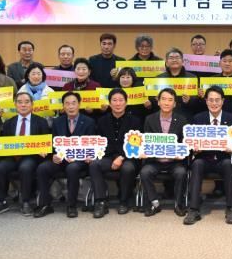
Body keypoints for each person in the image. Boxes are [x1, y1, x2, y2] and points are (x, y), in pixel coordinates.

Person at [34, 92, 96, 218]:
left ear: (79, 104)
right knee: (43, 168)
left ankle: (71, 206)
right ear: (63, 106)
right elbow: (54, 143)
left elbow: (92, 144)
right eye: (67, 104)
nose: (70, 106)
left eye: (73, 103)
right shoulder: (57, 122)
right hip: (61, 159)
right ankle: (45, 205)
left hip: (79, 160)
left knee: (72, 168)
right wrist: (54, 155)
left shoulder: (89, 122)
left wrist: (84, 156)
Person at [184, 86, 232, 225]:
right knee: (197, 164)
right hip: (204, 158)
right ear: (206, 101)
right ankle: (194, 209)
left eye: (217, 100)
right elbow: (190, 143)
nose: (214, 103)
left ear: (223, 101)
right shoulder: (198, 118)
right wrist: (194, 149)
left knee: (229, 164)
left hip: (223, 159)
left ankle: (231, 208)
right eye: (211, 100)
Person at [0, 92, 51, 217]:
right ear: (15, 105)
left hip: (31, 157)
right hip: (12, 157)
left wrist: (44, 150)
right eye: (20, 102)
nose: (23, 105)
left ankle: (26, 201)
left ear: (32, 104)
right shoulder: (8, 123)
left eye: (26, 102)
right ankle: (1, 201)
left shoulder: (41, 122)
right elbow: (3, 144)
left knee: (26, 167)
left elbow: (47, 143)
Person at [88, 88, 141, 218]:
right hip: (108, 156)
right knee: (94, 165)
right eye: (114, 100)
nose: (118, 103)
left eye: (121, 100)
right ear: (109, 103)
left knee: (128, 168)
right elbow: (99, 142)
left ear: (126, 103)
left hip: (128, 157)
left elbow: (137, 144)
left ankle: (124, 201)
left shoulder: (135, 121)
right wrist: (93, 155)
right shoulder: (102, 120)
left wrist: (121, 157)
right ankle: (100, 202)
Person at [139, 88, 188, 217]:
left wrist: (181, 153)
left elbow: (185, 142)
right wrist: (144, 151)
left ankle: (179, 204)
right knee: (145, 172)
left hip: (174, 161)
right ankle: (154, 203)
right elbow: (146, 141)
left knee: (181, 172)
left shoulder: (182, 120)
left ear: (175, 104)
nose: (166, 103)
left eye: (170, 100)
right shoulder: (149, 119)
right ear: (158, 102)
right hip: (155, 160)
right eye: (164, 99)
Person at [155, 47, 203, 120]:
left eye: (177, 57)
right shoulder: (159, 78)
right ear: (166, 62)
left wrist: (189, 100)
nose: (174, 60)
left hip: (186, 116)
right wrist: (156, 99)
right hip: (164, 116)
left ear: (182, 61)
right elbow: (153, 100)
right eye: (171, 58)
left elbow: (197, 101)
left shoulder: (192, 78)